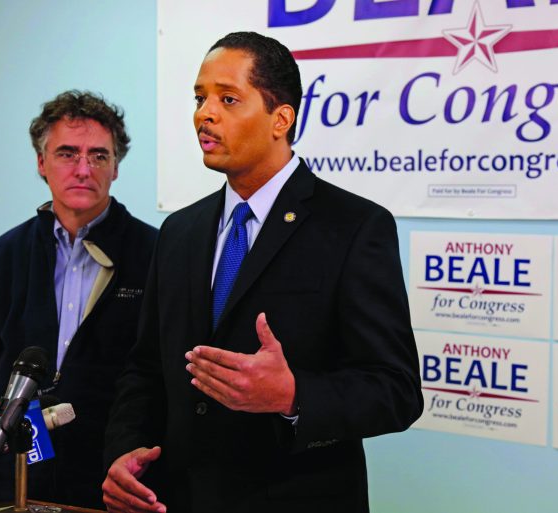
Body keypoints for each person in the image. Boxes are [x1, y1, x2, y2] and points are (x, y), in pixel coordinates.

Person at [101, 31, 423, 513]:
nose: (204, 114)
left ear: (281, 118)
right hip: (177, 499)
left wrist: (294, 395)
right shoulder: (179, 231)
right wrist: (125, 450)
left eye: (228, 99)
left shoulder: (355, 227)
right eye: (200, 98)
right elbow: (146, 368)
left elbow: (395, 390)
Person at [0, 90, 158, 509]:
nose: (83, 169)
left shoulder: (157, 255)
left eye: (98, 156)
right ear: (42, 163)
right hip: (18, 480)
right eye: (67, 153)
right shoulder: (1, 258)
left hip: (115, 482)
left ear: (115, 167)